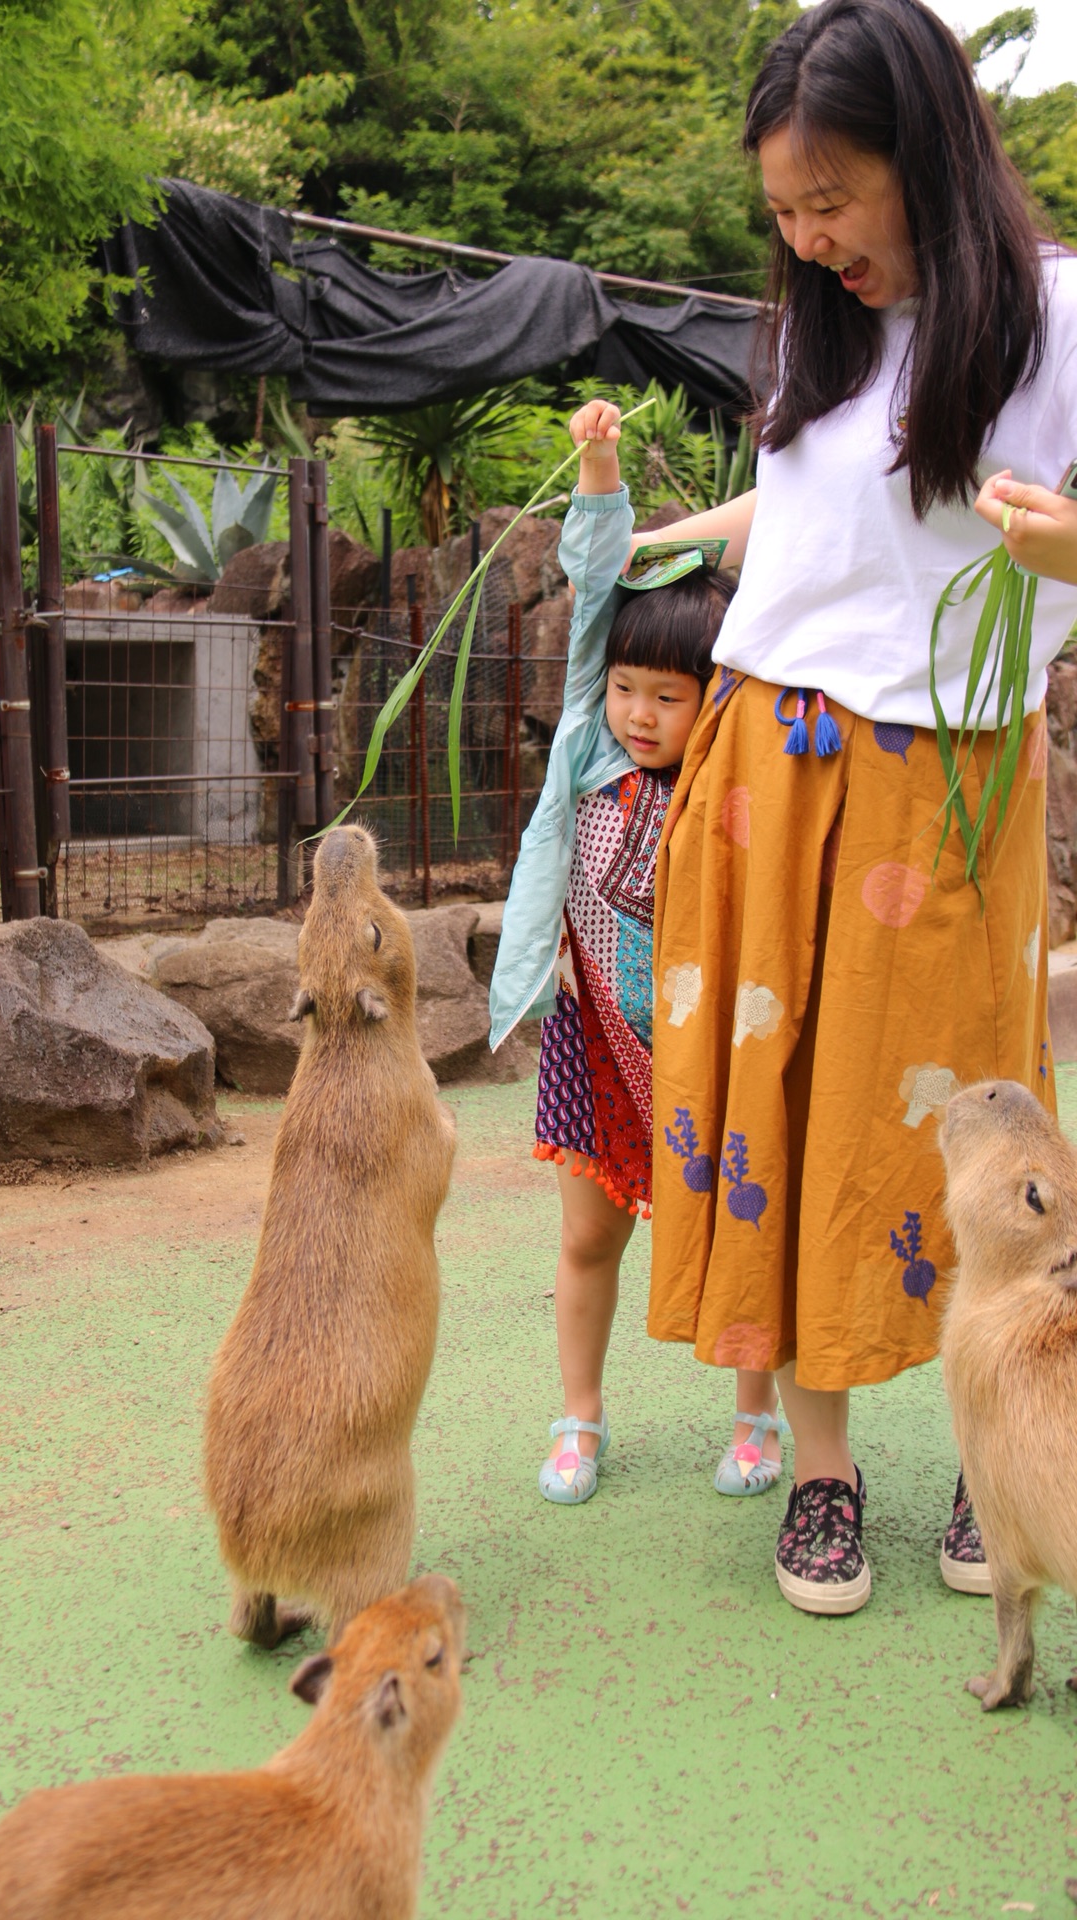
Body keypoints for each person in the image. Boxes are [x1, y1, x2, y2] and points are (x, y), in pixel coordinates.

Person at [643, 0, 1077, 1613]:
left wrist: (1065, 554)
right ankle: (819, 1476)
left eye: (834, 201)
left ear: (930, 163)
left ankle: (992, 1458)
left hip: (949, 783)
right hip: (766, 769)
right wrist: (673, 531)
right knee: (787, 1117)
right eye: (785, 215)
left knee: (980, 1131)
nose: (812, 239)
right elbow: (825, 512)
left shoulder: (1058, 317)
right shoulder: (814, 332)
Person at [490, 401, 785, 1505]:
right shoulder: (584, 739)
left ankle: (754, 1421)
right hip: (596, 1038)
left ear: (716, 698)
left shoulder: (729, 781)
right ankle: (578, 1416)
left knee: (741, 1229)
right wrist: (600, 464)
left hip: (709, 1048)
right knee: (584, 1239)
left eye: (668, 696)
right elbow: (595, 577)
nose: (640, 714)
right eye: (626, 689)